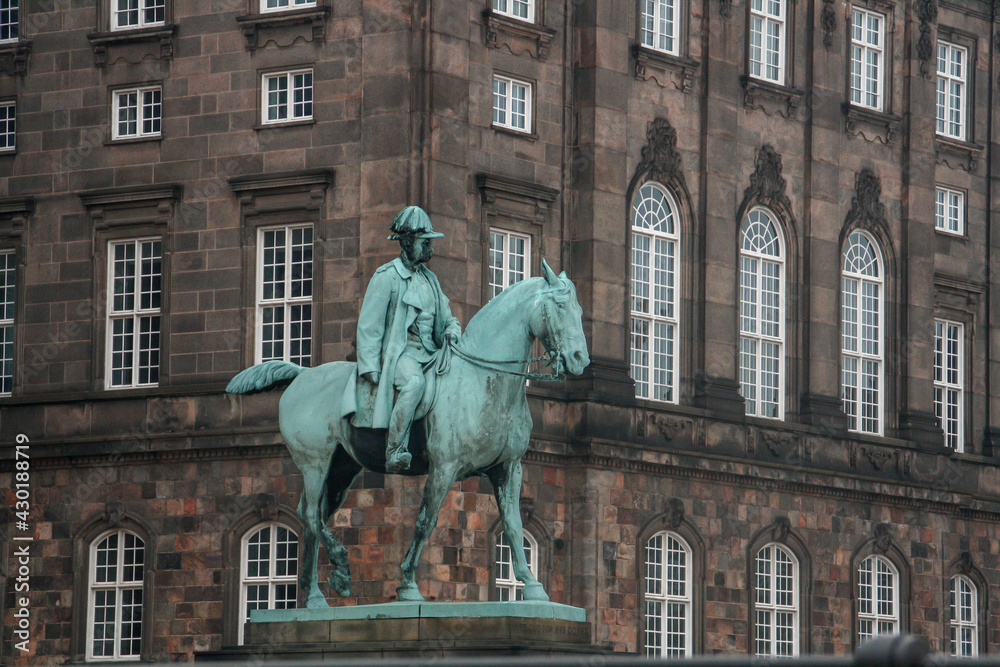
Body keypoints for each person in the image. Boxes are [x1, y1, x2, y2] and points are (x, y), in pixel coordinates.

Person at [351, 206, 461, 473]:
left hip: (432, 353)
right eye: (426, 243)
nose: (430, 249)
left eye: (430, 243)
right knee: (414, 383)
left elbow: (448, 318)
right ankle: (395, 450)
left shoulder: (431, 280)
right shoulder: (387, 277)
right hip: (402, 355)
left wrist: (452, 332)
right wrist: (369, 366)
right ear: (408, 242)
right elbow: (369, 326)